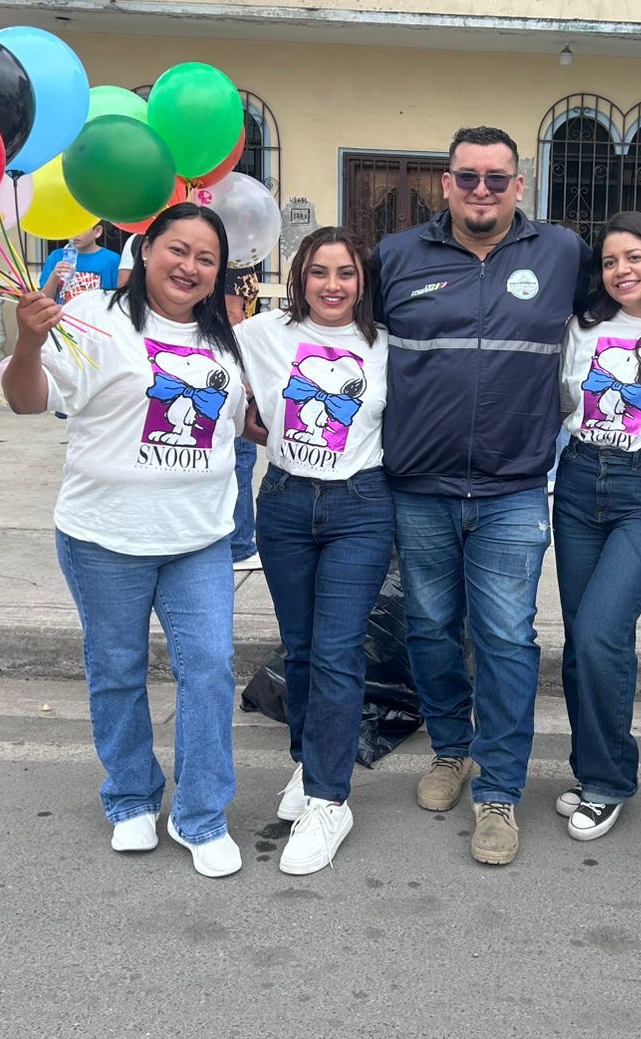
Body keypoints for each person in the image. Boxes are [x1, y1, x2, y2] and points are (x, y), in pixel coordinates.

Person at [372, 125, 641, 866]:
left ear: (519, 186)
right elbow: (332, 324)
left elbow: (633, 279)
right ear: (445, 183)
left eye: (497, 178)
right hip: (419, 485)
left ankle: (499, 791)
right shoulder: (395, 257)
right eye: (467, 177)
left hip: (514, 489)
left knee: (506, 640)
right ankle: (451, 751)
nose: (482, 190)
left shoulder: (559, 252)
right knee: (430, 630)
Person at [1, 202, 249, 879]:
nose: (190, 267)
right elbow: (26, 399)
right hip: (105, 536)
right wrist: (27, 343)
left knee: (210, 668)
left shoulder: (226, 339)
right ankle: (131, 797)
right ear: (145, 250)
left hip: (198, 537)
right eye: (178, 250)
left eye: (206, 258)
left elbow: (233, 426)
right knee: (116, 669)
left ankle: (200, 814)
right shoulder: (92, 319)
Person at [236, 226, 390, 875]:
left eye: (346, 272)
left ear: (363, 280)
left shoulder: (386, 344)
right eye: (319, 272)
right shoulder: (261, 334)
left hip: (361, 506)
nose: (332, 285)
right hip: (286, 503)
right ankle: (310, 759)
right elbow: (196, 357)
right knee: (299, 649)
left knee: (336, 650)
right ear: (300, 277)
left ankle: (330, 799)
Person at [552, 211, 641, 842]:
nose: (621, 270)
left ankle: (609, 782)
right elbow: (561, 401)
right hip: (580, 482)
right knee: (580, 639)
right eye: (609, 261)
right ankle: (591, 773)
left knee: (602, 631)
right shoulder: (581, 328)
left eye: (634, 257)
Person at [224, 266, 262, 572]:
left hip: (234, 368)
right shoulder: (232, 267)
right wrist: (241, 374)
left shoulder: (238, 263)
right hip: (236, 368)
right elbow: (232, 316)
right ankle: (239, 544)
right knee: (241, 461)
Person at [40, 222, 121, 304]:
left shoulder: (112, 260)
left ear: (97, 231)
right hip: (62, 311)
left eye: (81, 228)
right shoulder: (56, 256)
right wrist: (54, 275)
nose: (75, 234)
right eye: (71, 229)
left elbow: (118, 298)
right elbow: (44, 300)